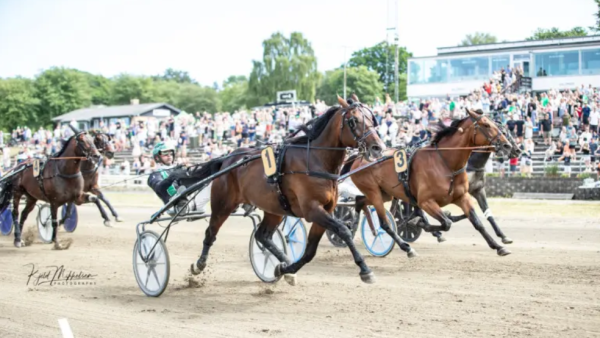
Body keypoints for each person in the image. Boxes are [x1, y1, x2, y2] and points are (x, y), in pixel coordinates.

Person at [147, 142, 211, 215]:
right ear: (157, 158)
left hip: (194, 202)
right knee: (182, 188)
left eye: (171, 154)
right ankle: (182, 205)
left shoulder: (178, 168)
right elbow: (159, 188)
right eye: (165, 155)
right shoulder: (154, 175)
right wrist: (172, 177)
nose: (169, 156)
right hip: (174, 205)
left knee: (212, 180)